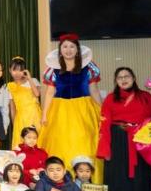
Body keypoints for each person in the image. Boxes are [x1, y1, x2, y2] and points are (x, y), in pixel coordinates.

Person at [39, 34, 103, 181]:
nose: (68, 50)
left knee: (85, 143)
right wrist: (44, 114)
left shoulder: (89, 68)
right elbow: (49, 93)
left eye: (72, 46)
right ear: (60, 50)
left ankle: (87, 181)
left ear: (77, 49)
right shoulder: (53, 70)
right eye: (65, 46)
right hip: (60, 111)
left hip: (83, 110)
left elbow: (94, 90)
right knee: (61, 144)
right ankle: (61, 180)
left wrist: (102, 110)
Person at [98, 66, 151, 191]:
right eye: (120, 77)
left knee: (141, 178)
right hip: (117, 141)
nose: (123, 79)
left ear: (134, 78)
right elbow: (104, 123)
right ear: (116, 81)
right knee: (118, 178)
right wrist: (105, 149)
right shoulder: (110, 98)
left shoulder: (146, 97)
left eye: (127, 76)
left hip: (140, 142)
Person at [5, 57, 41, 148]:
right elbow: (12, 107)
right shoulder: (10, 86)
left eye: (20, 70)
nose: (17, 73)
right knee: (21, 143)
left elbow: (37, 94)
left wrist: (29, 78)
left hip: (35, 115)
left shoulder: (33, 80)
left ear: (24, 71)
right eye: (14, 70)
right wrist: (14, 123)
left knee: (36, 140)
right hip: (21, 118)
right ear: (10, 70)